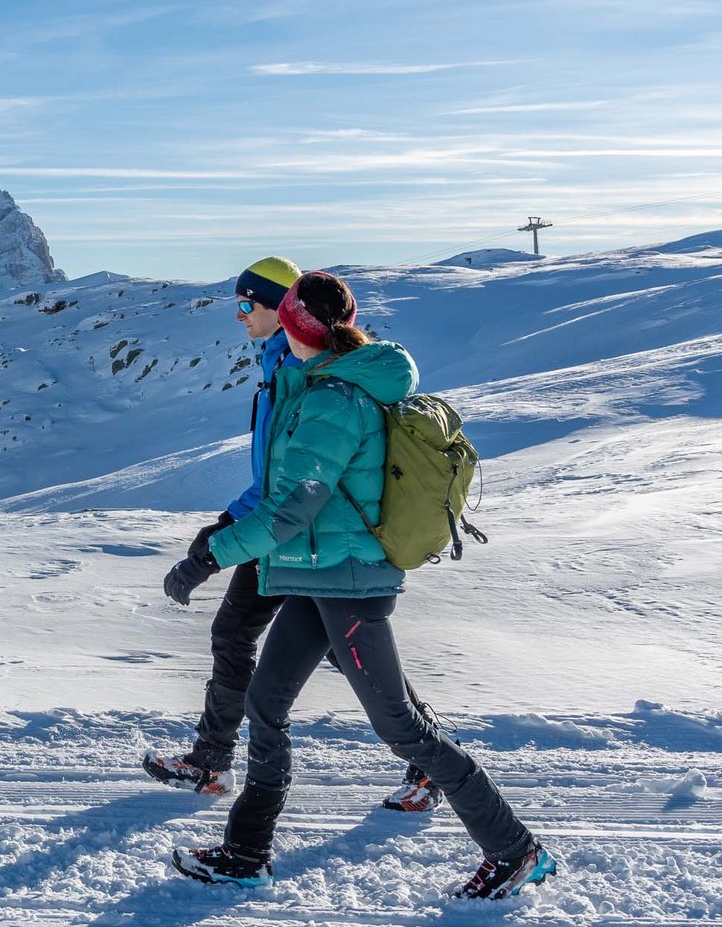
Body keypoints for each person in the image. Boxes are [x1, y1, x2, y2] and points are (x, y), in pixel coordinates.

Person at [162, 271, 555, 898]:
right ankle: (245, 852)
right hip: (321, 577)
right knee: (266, 705)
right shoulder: (321, 384)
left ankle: (515, 849)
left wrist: (211, 555)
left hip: (348, 584)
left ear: (297, 328)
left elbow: (296, 505)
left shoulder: (334, 402)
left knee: (402, 727)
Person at [144, 257, 444, 815]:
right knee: (253, 636)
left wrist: (222, 541)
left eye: (246, 305)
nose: (239, 317)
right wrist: (229, 521)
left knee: (324, 651)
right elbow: (274, 474)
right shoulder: (281, 364)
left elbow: (299, 484)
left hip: (303, 538)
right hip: (281, 532)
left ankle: (429, 763)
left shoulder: (304, 374)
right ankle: (213, 761)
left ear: (284, 311)